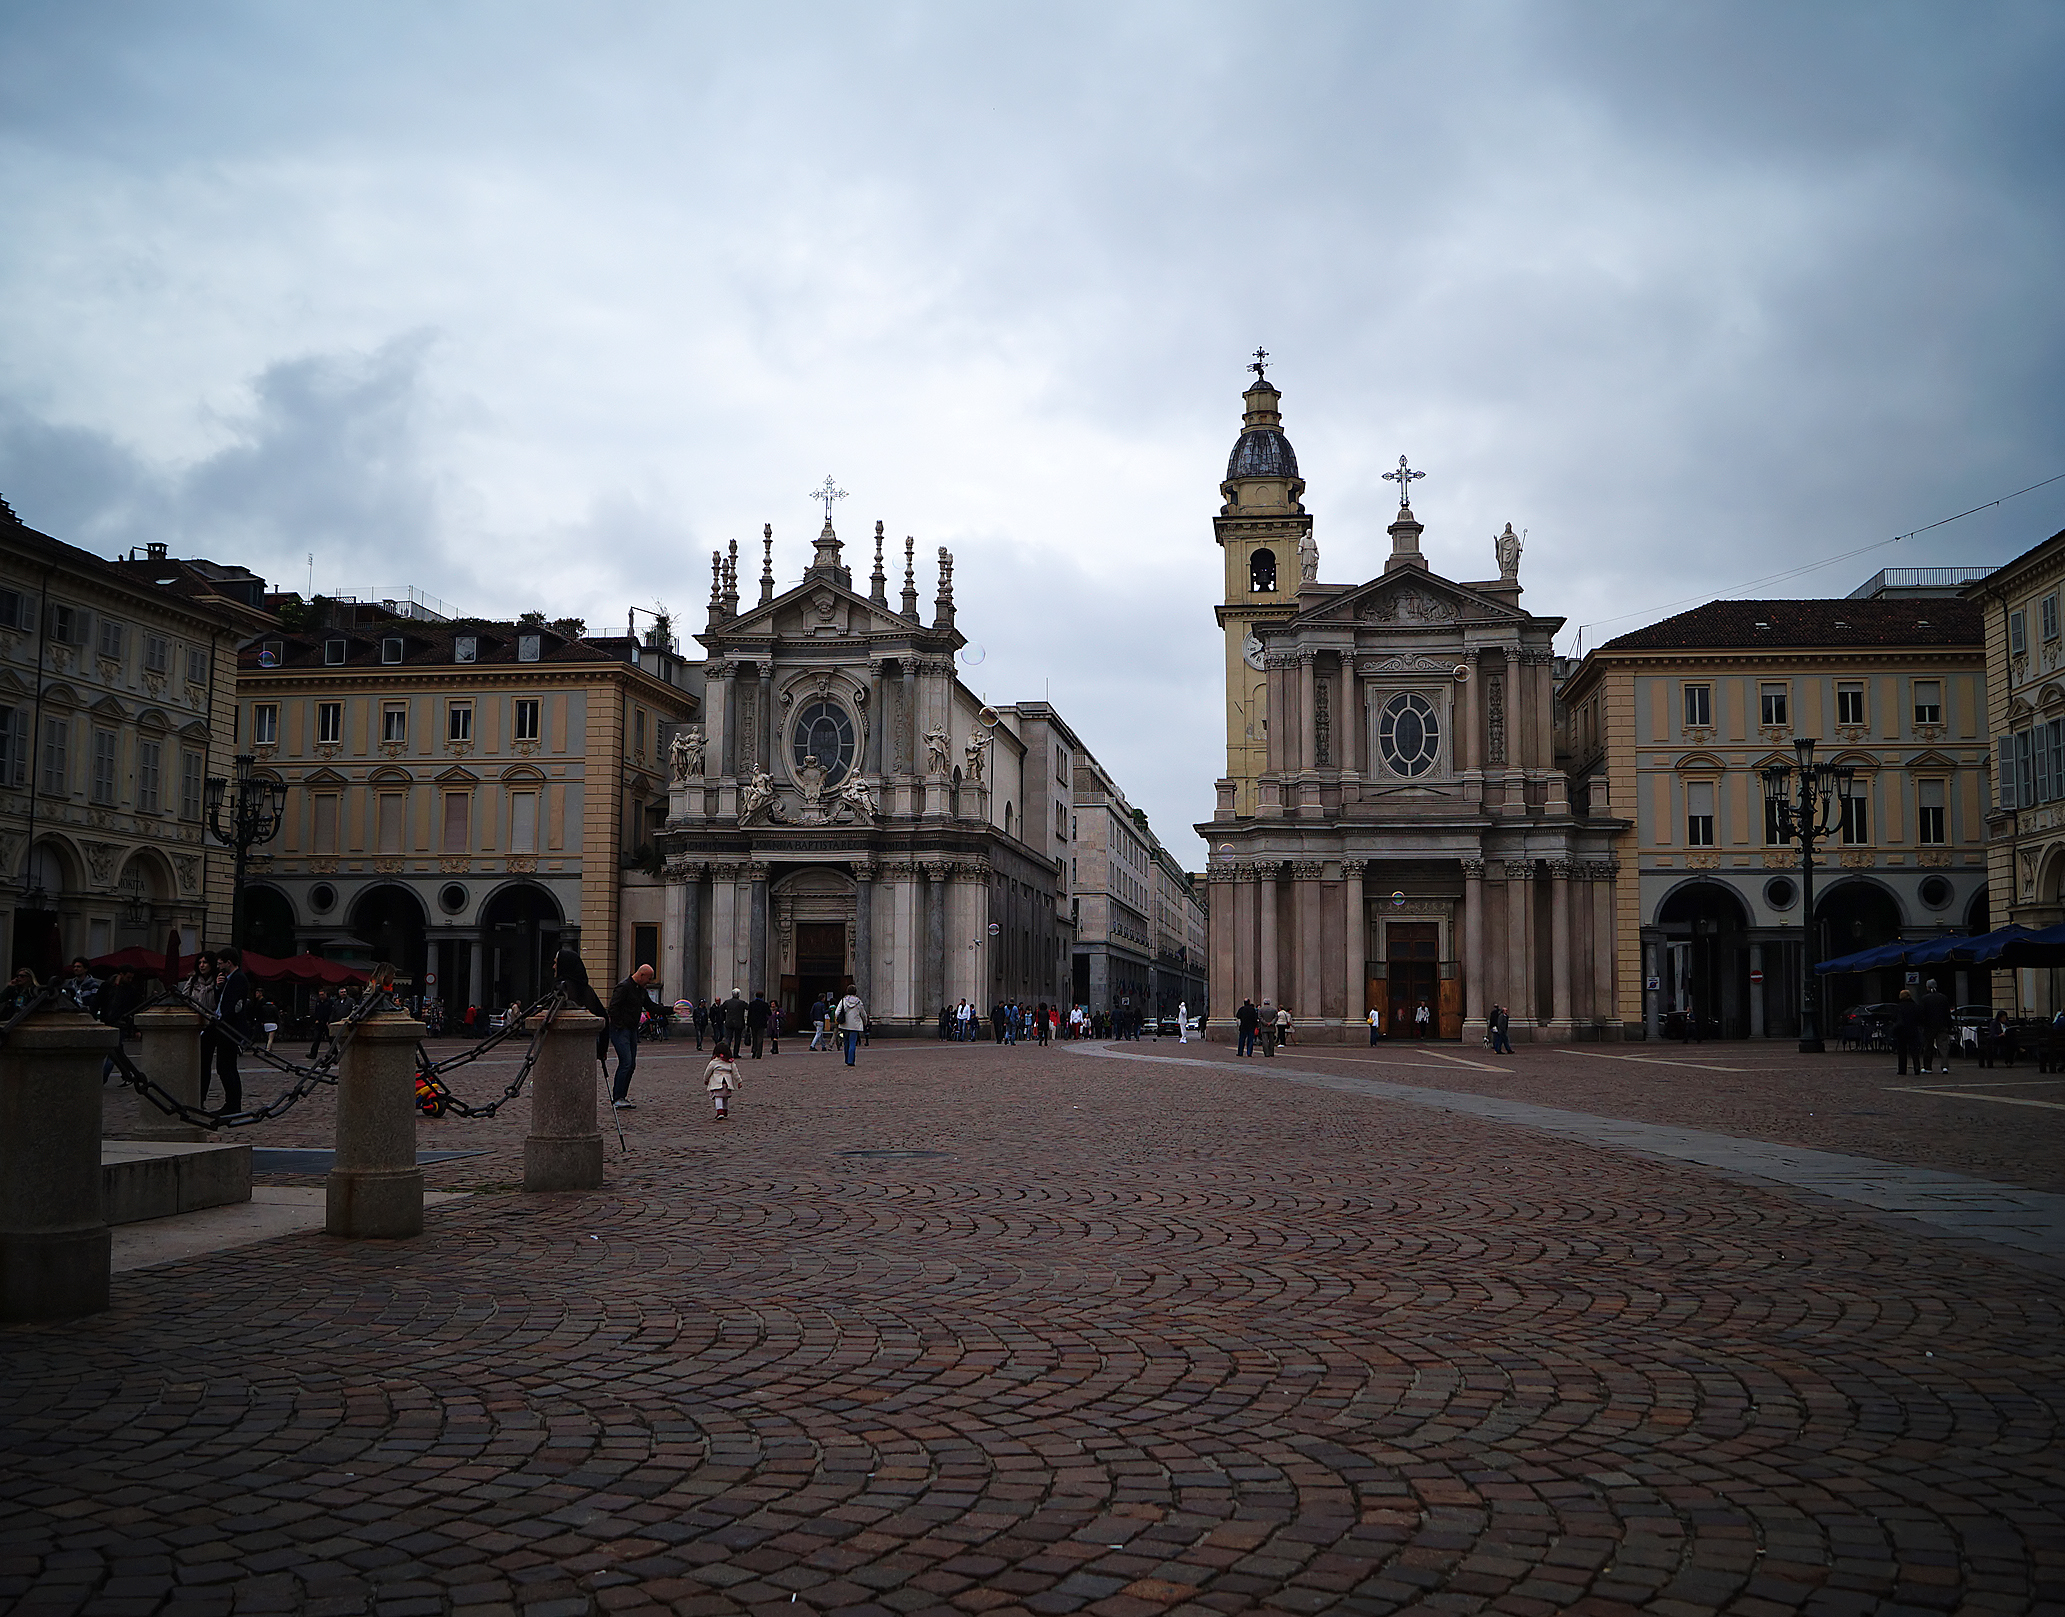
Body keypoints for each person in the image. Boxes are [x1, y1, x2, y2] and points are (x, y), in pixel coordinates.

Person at [606, 964, 661, 1108]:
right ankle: (617, 1098)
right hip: (621, 1030)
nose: (649, 982)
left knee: (631, 1065)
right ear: (641, 975)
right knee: (626, 1062)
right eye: (648, 978)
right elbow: (613, 1007)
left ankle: (622, 1096)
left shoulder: (641, 990)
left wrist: (671, 1010)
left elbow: (651, 1007)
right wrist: (619, 1025)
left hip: (631, 1030)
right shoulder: (624, 987)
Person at [210, 949, 254, 1114]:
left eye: (221, 963)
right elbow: (220, 1001)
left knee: (227, 1067)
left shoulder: (238, 979)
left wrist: (223, 1020)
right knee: (225, 1067)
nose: (219, 967)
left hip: (230, 1029)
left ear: (229, 962)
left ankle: (233, 1104)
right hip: (223, 1026)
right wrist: (218, 987)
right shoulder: (228, 980)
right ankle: (231, 1103)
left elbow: (235, 1006)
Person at [1919, 979, 1952, 1074]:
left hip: (1929, 1026)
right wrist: (1949, 1025)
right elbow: (1947, 1013)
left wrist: (1922, 1024)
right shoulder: (1943, 998)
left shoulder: (1925, 998)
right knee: (1943, 1046)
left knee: (1928, 1046)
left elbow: (1922, 1013)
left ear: (1927, 987)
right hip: (1942, 1025)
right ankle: (1944, 1066)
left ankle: (1928, 1067)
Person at [704, 1041, 741, 1119]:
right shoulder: (730, 1063)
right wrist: (739, 1081)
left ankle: (719, 1111)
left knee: (718, 1097)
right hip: (727, 1083)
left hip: (717, 1082)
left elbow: (708, 1072)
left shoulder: (714, 1062)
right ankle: (725, 1110)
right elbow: (735, 1072)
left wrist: (706, 1079)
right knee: (725, 1097)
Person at [1892, 988, 1924, 1076]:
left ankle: (1902, 1069)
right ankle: (1917, 1067)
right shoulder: (1915, 1006)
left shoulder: (1898, 1007)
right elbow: (1920, 1018)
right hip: (1913, 1030)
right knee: (1914, 1051)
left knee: (1902, 1051)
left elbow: (1894, 1018)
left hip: (1901, 1031)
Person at [836, 981, 867, 1065]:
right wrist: (865, 1022)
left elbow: (837, 1012)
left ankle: (846, 1059)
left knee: (846, 1043)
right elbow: (863, 1014)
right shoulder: (858, 1002)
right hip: (855, 1025)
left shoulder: (843, 1001)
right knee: (852, 1043)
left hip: (844, 1025)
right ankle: (851, 1060)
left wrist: (839, 1019)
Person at [308, 989, 336, 1060]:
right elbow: (316, 1011)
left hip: (326, 1022)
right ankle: (313, 1054)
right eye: (320, 995)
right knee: (316, 1038)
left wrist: (329, 1021)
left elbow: (332, 1012)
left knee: (330, 1038)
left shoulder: (330, 1002)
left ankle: (335, 1052)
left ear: (325, 994)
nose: (321, 996)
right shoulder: (318, 1002)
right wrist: (316, 1019)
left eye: (322, 994)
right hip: (319, 1023)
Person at [747, 988, 771, 1058]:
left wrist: (748, 1024)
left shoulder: (752, 1004)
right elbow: (769, 1013)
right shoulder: (764, 1004)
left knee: (754, 1037)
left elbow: (749, 1014)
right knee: (760, 1038)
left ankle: (754, 1050)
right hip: (761, 1023)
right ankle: (759, 1053)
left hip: (753, 1023)